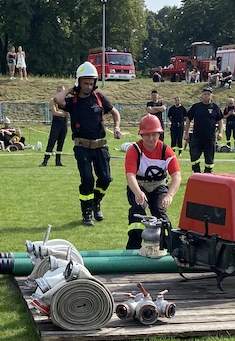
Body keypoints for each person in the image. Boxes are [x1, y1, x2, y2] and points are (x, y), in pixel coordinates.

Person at [54, 61, 122, 226]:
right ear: (79, 82)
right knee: (87, 180)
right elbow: (57, 99)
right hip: (82, 147)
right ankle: (87, 213)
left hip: (100, 146)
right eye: (85, 83)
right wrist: (71, 89)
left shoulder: (99, 98)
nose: (89, 86)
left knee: (106, 178)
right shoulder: (73, 101)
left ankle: (96, 202)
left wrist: (117, 127)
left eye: (91, 83)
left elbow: (115, 113)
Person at [124, 115, 182, 249]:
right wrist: (138, 192)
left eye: (154, 135)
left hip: (159, 185)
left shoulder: (166, 150)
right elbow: (130, 175)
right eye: (147, 135)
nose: (150, 139)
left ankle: (169, 245)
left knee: (159, 211)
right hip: (138, 185)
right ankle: (133, 246)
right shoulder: (134, 150)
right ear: (141, 135)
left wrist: (169, 195)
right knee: (137, 210)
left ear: (159, 134)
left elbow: (177, 176)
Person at [184, 86, 224, 174]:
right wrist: (186, 133)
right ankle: (197, 172)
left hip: (210, 137)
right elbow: (188, 119)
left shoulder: (215, 108)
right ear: (202, 95)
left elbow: (220, 120)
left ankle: (207, 174)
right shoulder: (196, 107)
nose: (206, 96)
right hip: (196, 137)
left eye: (208, 94)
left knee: (209, 158)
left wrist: (220, 133)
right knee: (194, 156)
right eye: (205, 94)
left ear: (211, 96)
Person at [40, 84, 68, 167]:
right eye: (59, 91)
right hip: (56, 122)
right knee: (52, 141)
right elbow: (55, 112)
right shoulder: (53, 100)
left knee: (61, 142)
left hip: (64, 122)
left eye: (62, 91)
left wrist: (63, 113)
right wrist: (64, 113)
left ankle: (58, 161)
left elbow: (69, 112)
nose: (60, 93)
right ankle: (45, 161)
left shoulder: (66, 101)